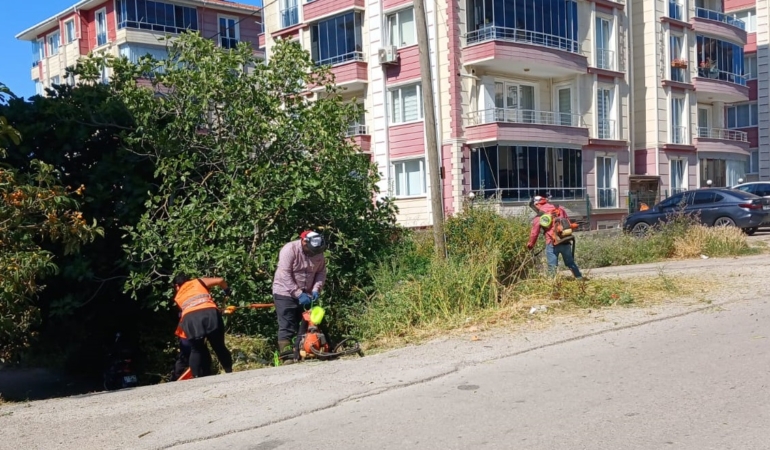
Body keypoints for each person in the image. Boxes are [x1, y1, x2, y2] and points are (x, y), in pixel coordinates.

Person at [272, 230, 327, 359]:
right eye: (312, 250)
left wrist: (316, 289)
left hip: (307, 294)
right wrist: (298, 294)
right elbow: (284, 275)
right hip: (285, 292)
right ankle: (287, 357)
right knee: (287, 326)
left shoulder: (318, 252)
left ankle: (302, 353)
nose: (314, 253)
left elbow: (321, 273)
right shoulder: (289, 250)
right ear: (304, 242)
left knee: (308, 324)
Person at [172, 274, 233, 377]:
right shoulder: (198, 281)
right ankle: (229, 372)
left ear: (177, 286)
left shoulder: (178, 296)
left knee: (196, 349)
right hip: (209, 312)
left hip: (189, 318)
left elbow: (193, 308)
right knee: (219, 346)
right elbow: (220, 280)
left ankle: (197, 378)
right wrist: (226, 290)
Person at [526, 196, 584, 280]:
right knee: (570, 263)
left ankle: (551, 285)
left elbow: (534, 233)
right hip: (565, 240)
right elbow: (567, 223)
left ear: (537, 204)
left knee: (552, 267)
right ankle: (580, 280)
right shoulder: (560, 208)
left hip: (552, 243)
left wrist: (530, 245)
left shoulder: (540, 216)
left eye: (534, 206)